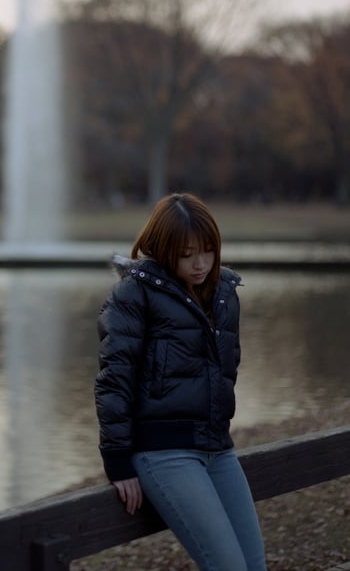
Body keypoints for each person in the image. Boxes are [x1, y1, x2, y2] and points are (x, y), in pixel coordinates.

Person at [94, 192, 267, 571]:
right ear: (162, 248)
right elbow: (114, 379)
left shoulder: (224, 294)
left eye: (208, 250)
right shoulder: (134, 294)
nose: (201, 263)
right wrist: (118, 461)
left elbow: (226, 369)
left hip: (218, 448)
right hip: (164, 453)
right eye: (187, 254)